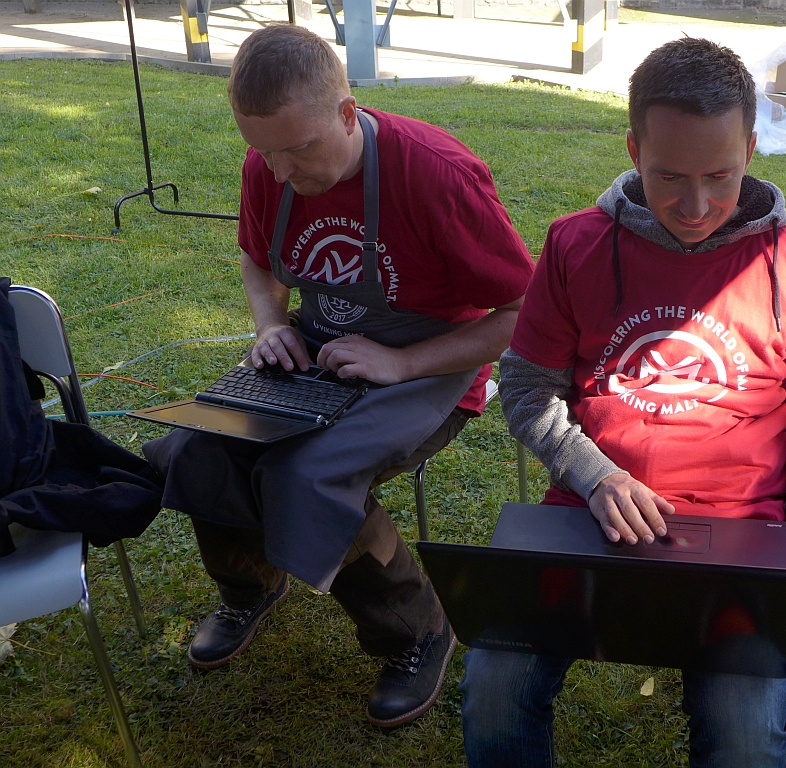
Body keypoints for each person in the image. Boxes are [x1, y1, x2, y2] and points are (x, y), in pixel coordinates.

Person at [459, 38, 786, 767]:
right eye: (669, 176)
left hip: (745, 531)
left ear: (750, 149)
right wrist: (595, 475)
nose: (696, 206)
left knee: (744, 727)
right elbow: (524, 386)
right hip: (588, 516)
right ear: (633, 150)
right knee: (495, 683)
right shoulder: (575, 245)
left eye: (720, 176)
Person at [143, 25, 534, 728]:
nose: (279, 171)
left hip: (429, 368)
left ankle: (417, 629)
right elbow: (258, 260)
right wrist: (271, 326)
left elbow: (520, 314)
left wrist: (402, 362)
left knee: (307, 474)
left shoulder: (436, 174)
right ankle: (250, 586)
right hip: (318, 351)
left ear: (349, 113)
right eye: (264, 151)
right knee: (200, 446)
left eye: (297, 149)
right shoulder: (268, 164)